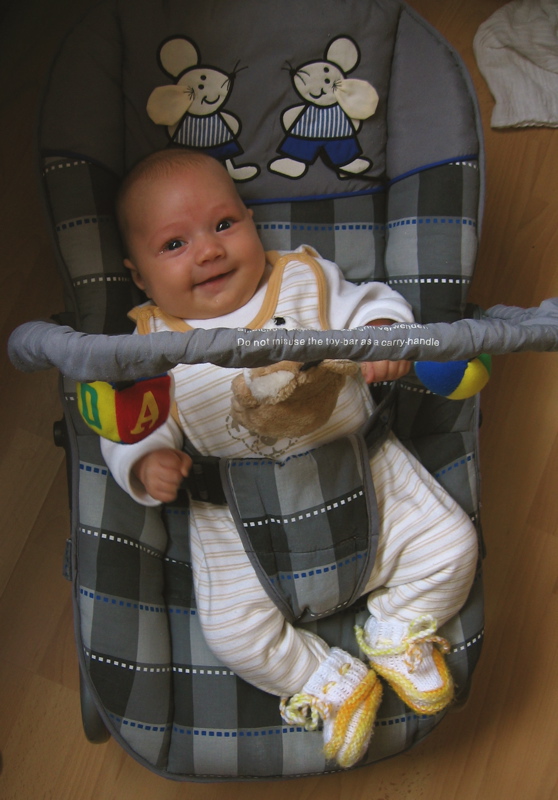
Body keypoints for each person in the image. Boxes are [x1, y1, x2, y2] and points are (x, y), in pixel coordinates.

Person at [101, 148, 478, 768]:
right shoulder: (149, 349)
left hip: (364, 470)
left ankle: (397, 629)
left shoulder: (303, 279)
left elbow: (371, 303)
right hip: (241, 522)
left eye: (224, 224)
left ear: (250, 222)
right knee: (232, 632)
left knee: (451, 546)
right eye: (174, 244)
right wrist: (144, 463)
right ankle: (328, 680)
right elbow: (130, 425)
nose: (208, 250)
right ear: (138, 276)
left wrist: (383, 334)